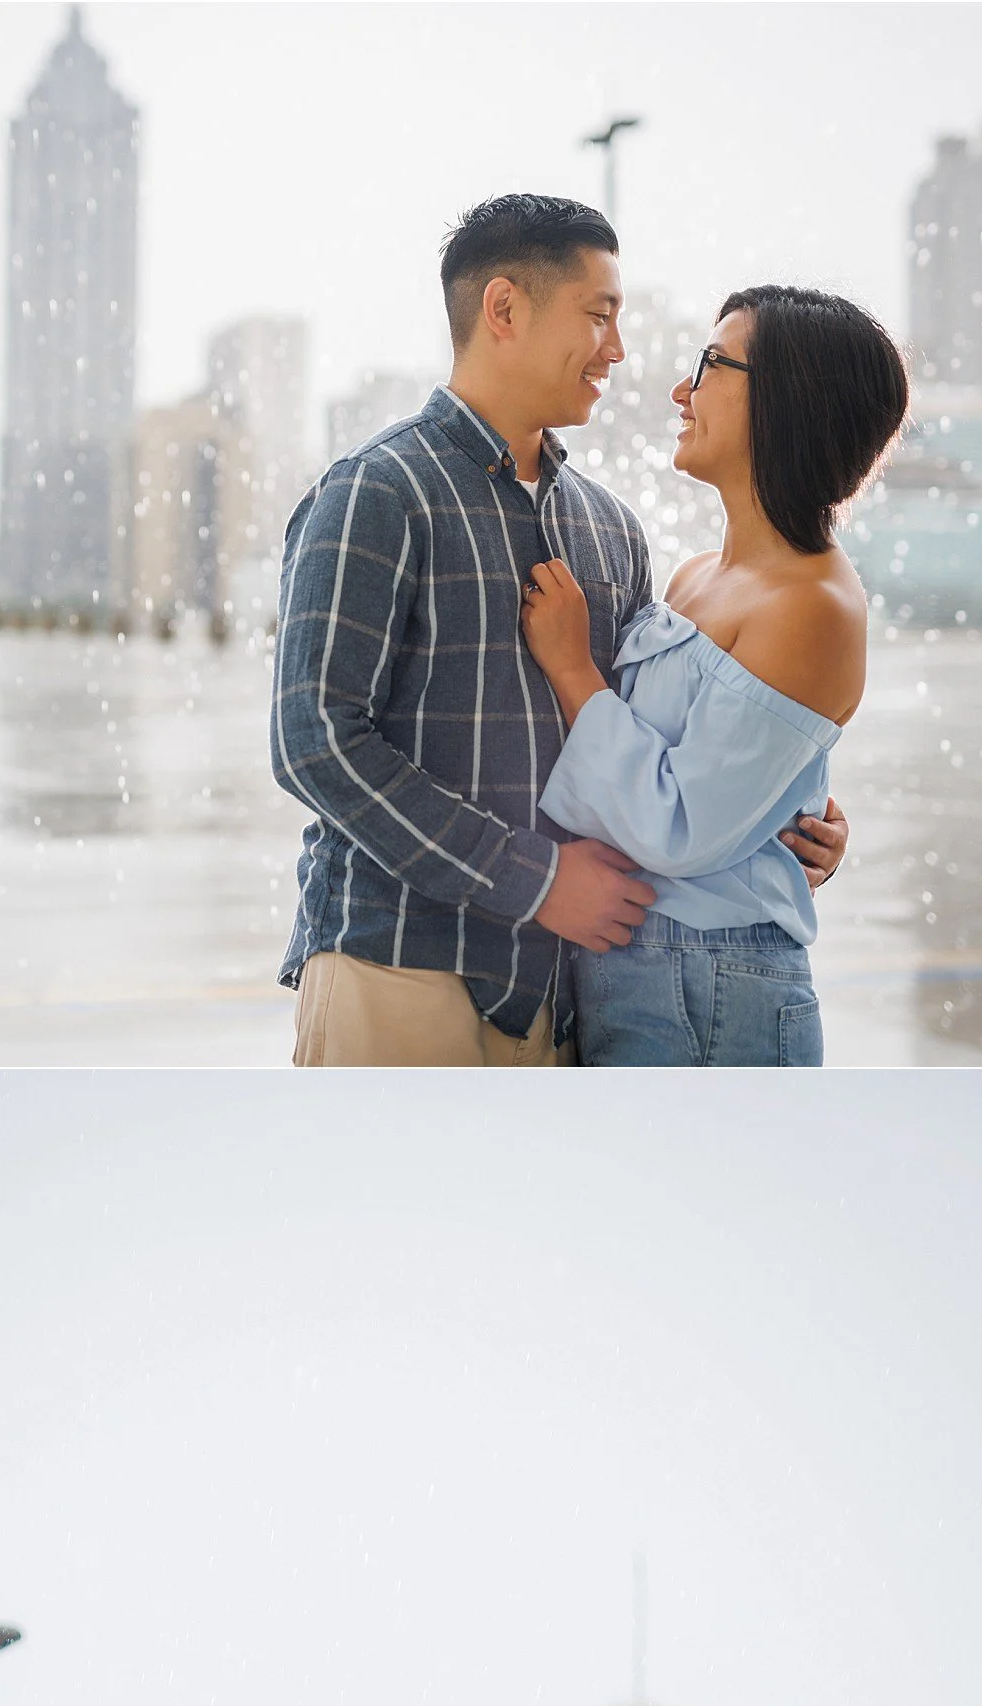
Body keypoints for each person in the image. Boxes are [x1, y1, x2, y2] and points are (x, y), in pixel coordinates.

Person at [271, 193, 847, 1069]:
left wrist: (787, 808)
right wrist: (532, 881)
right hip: (399, 969)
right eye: (598, 315)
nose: (618, 350)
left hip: (567, 993)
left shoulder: (611, 532)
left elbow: (652, 746)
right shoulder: (376, 493)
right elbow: (314, 743)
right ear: (504, 309)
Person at [522, 285, 909, 1066]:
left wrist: (571, 668)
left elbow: (683, 824)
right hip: (644, 968)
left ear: (790, 402)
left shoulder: (815, 605)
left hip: (711, 982)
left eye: (710, 365)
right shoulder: (697, 576)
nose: (680, 391)